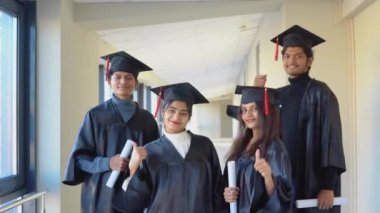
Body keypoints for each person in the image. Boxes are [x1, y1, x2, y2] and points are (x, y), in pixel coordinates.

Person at [255, 25, 346, 212]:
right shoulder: (279, 95)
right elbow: (255, 122)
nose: (292, 61)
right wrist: (256, 90)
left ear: (309, 60)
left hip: (312, 178)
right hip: (284, 178)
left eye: (299, 56)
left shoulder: (321, 92)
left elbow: (332, 140)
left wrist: (328, 185)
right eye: (287, 56)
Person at [62, 51, 160, 213]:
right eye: (118, 77)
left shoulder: (147, 120)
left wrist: (142, 161)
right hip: (100, 196)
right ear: (109, 80)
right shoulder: (95, 115)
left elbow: (156, 160)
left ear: (135, 83)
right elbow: (80, 159)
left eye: (129, 77)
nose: (123, 81)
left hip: (134, 194)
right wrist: (108, 163)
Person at [112, 82, 227, 213]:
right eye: (171, 110)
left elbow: (218, 190)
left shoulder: (204, 146)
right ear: (163, 112)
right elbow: (135, 201)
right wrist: (133, 168)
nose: (176, 117)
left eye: (183, 113)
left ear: (189, 117)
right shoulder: (149, 151)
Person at [223, 86, 293, 212]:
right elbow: (228, 182)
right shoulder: (241, 146)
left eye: (254, 108)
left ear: (266, 111)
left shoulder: (275, 148)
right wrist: (227, 193)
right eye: (244, 110)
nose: (248, 115)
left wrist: (267, 175)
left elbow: (283, 198)